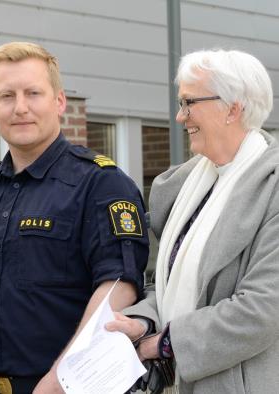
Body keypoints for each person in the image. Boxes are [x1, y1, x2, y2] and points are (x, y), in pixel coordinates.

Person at [0, 41, 150, 394]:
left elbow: (119, 286)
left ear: (59, 102)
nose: (20, 107)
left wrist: (57, 380)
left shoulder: (100, 183)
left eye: (33, 93)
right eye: (6, 96)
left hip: (73, 387)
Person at [107, 49, 278, 393]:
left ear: (233, 108)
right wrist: (143, 321)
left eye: (189, 103)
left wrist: (165, 344)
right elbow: (170, 286)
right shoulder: (189, 184)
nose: (180, 116)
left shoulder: (272, 187)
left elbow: (263, 308)